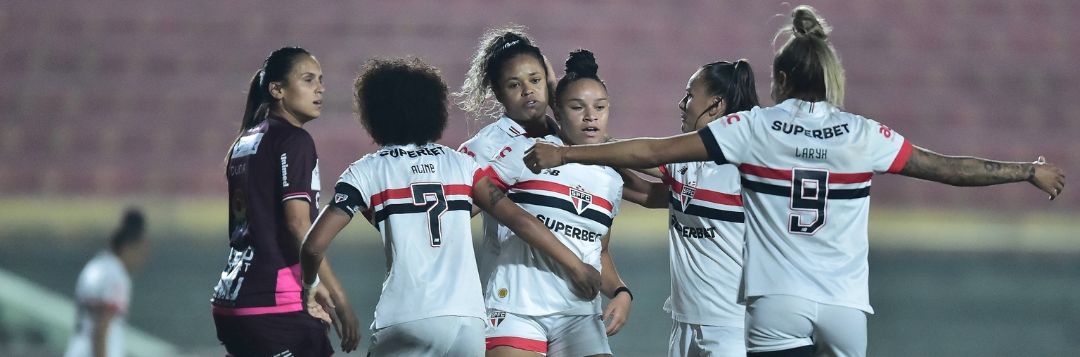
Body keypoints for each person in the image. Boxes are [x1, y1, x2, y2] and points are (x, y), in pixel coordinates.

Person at [524, 5, 1067, 357]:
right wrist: (1025, 170)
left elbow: (649, 152)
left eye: (692, 94)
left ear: (781, 79)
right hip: (844, 305)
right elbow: (943, 167)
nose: (683, 102)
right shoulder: (862, 132)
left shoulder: (751, 133)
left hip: (769, 305)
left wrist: (566, 151)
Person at [298, 57, 599, 356]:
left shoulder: (366, 172)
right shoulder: (461, 165)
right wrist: (575, 265)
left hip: (406, 318)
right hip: (467, 324)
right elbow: (520, 220)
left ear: (373, 112)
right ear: (433, 107)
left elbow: (312, 246)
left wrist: (310, 286)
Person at [477, 49, 631, 357]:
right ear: (557, 113)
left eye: (600, 107)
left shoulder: (612, 179)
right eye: (578, 107)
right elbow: (475, 193)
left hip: (578, 312)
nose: (591, 116)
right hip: (517, 308)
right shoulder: (528, 151)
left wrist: (621, 292)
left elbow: (597, 249)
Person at [210, 46, 359, 356]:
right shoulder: (294, 140)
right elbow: (298, 223)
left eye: (320, 79)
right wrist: (336, 296)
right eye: (307, 79)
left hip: (232, 300)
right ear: (277, 89)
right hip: (274, 305)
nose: (320, 88)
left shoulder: (245, 140)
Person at [619, 60, 759, 357]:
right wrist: (578, 147)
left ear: (716, 105)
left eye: (689, 95)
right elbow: (643, 191)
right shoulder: (689, 160)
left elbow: (638, 154)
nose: (682, 104)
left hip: (732, 330)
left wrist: (572, 151)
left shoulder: (744, 168)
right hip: (683, 326)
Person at [65, 209, 148, 357]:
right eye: (140, 251)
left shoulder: (94, 266)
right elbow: (101, 329)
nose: (142, 259)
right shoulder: (116, 275)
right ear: (127, 248)